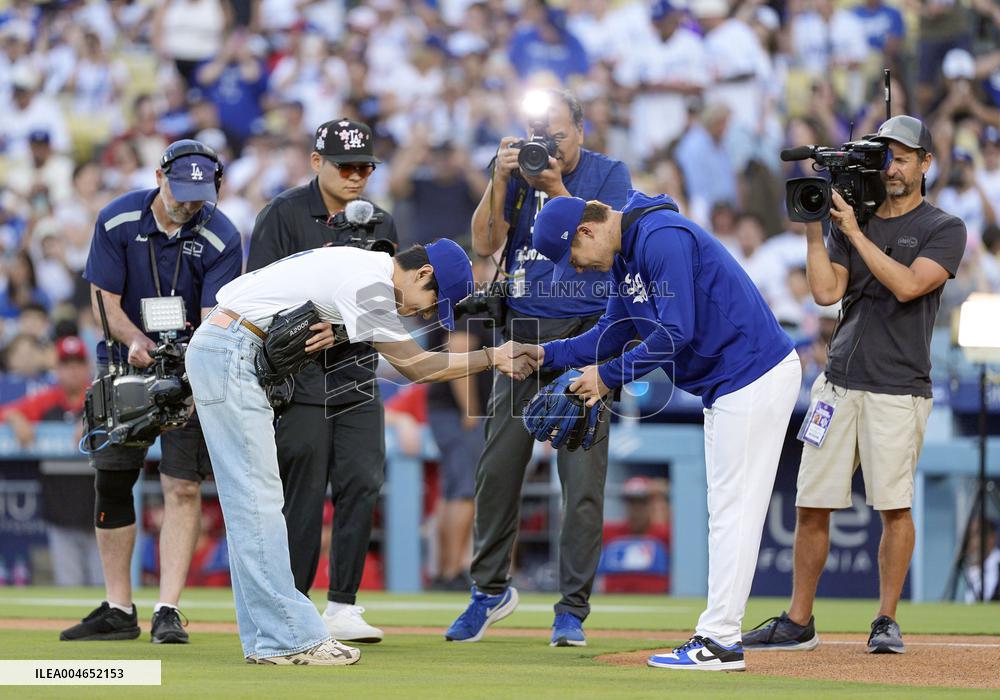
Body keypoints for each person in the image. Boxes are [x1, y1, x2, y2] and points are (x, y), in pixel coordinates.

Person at [184, 239, 538, 665]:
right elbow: (415, 367)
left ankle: (268, 638)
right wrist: (491, 356)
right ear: (423, 273)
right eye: (431, 303)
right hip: (233, 348)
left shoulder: (362, 267)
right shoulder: (369, 282)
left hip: (230, 344)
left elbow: (391, 361)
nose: (424, 314)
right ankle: (288, 640)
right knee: (257, 501)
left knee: (252, 503)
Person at [523, 188, 801, 671]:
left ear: (587, 231)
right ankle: (719, 637)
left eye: (574, 257)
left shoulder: (659, 236)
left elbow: (676, 333)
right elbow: (611, 333)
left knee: (734, 511)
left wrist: (608, 378)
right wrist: (545, 356)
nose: (580, 268)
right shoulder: (626, 257)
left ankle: (719, 642)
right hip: (730, 383)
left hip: (753, 374)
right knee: (727, 510)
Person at [744, 115, 966, 654]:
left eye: (904, 156)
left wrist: (853, 233)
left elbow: (909, 285)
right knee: (811, 503)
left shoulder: (944, 227)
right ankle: (799, 621)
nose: (892, 166)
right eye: (886, 155)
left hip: (898, 385)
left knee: (894, 507)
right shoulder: (853, 220)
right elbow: (824, 293)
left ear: (925, 164)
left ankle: (886, 618)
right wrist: (813, 223)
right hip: (838, 382)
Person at [445, 88, 631, 648]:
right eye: (538, 135)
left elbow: (608, 238)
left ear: (581, 130)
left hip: (586, 334)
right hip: (521, 336)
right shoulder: (514, 170)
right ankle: (488, 590)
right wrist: (500, 180)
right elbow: (484, 243)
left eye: (558, 135)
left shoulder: (609, 174)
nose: (547, 146)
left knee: (581, 480)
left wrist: (555, 188)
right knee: (497, 468)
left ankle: (571, 610)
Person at [61, 140, 242, 644]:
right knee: (113, 482)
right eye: (180, 191)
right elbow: (105, 302)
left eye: (199, 194)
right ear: (159, 176)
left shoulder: (222, 235)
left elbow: (214, 318)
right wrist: (135, 340)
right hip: (123, 365)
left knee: (182, 485)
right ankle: (119, 606)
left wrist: (182, 361)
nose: (188, 203)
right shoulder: (116, 220)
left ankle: (168, 608)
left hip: (190, 371)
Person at [245, 118, 399, 644]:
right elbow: (258, 297)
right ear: (316, 162)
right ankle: (293, 605)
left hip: (355, 370)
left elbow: (385, 305)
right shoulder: (282, 214)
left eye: (365, 167)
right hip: (298, 372)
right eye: (346, 166)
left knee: (362, 480)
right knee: (303, 493)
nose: (357, 176)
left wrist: (346, 325)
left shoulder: (381, 222)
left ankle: (343, 606)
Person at [0, 336, 101, 586]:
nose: (72, 370)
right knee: (70, 590)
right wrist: (16, 419)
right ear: (57, 369)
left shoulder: (99, 396)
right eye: (66, 364)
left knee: (105, 591)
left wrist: (92, 420)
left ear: (87, 366)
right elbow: (8, 411)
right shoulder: (47, 400)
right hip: (61, 513)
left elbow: (124, 417)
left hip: (102, 512)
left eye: (78, 363)